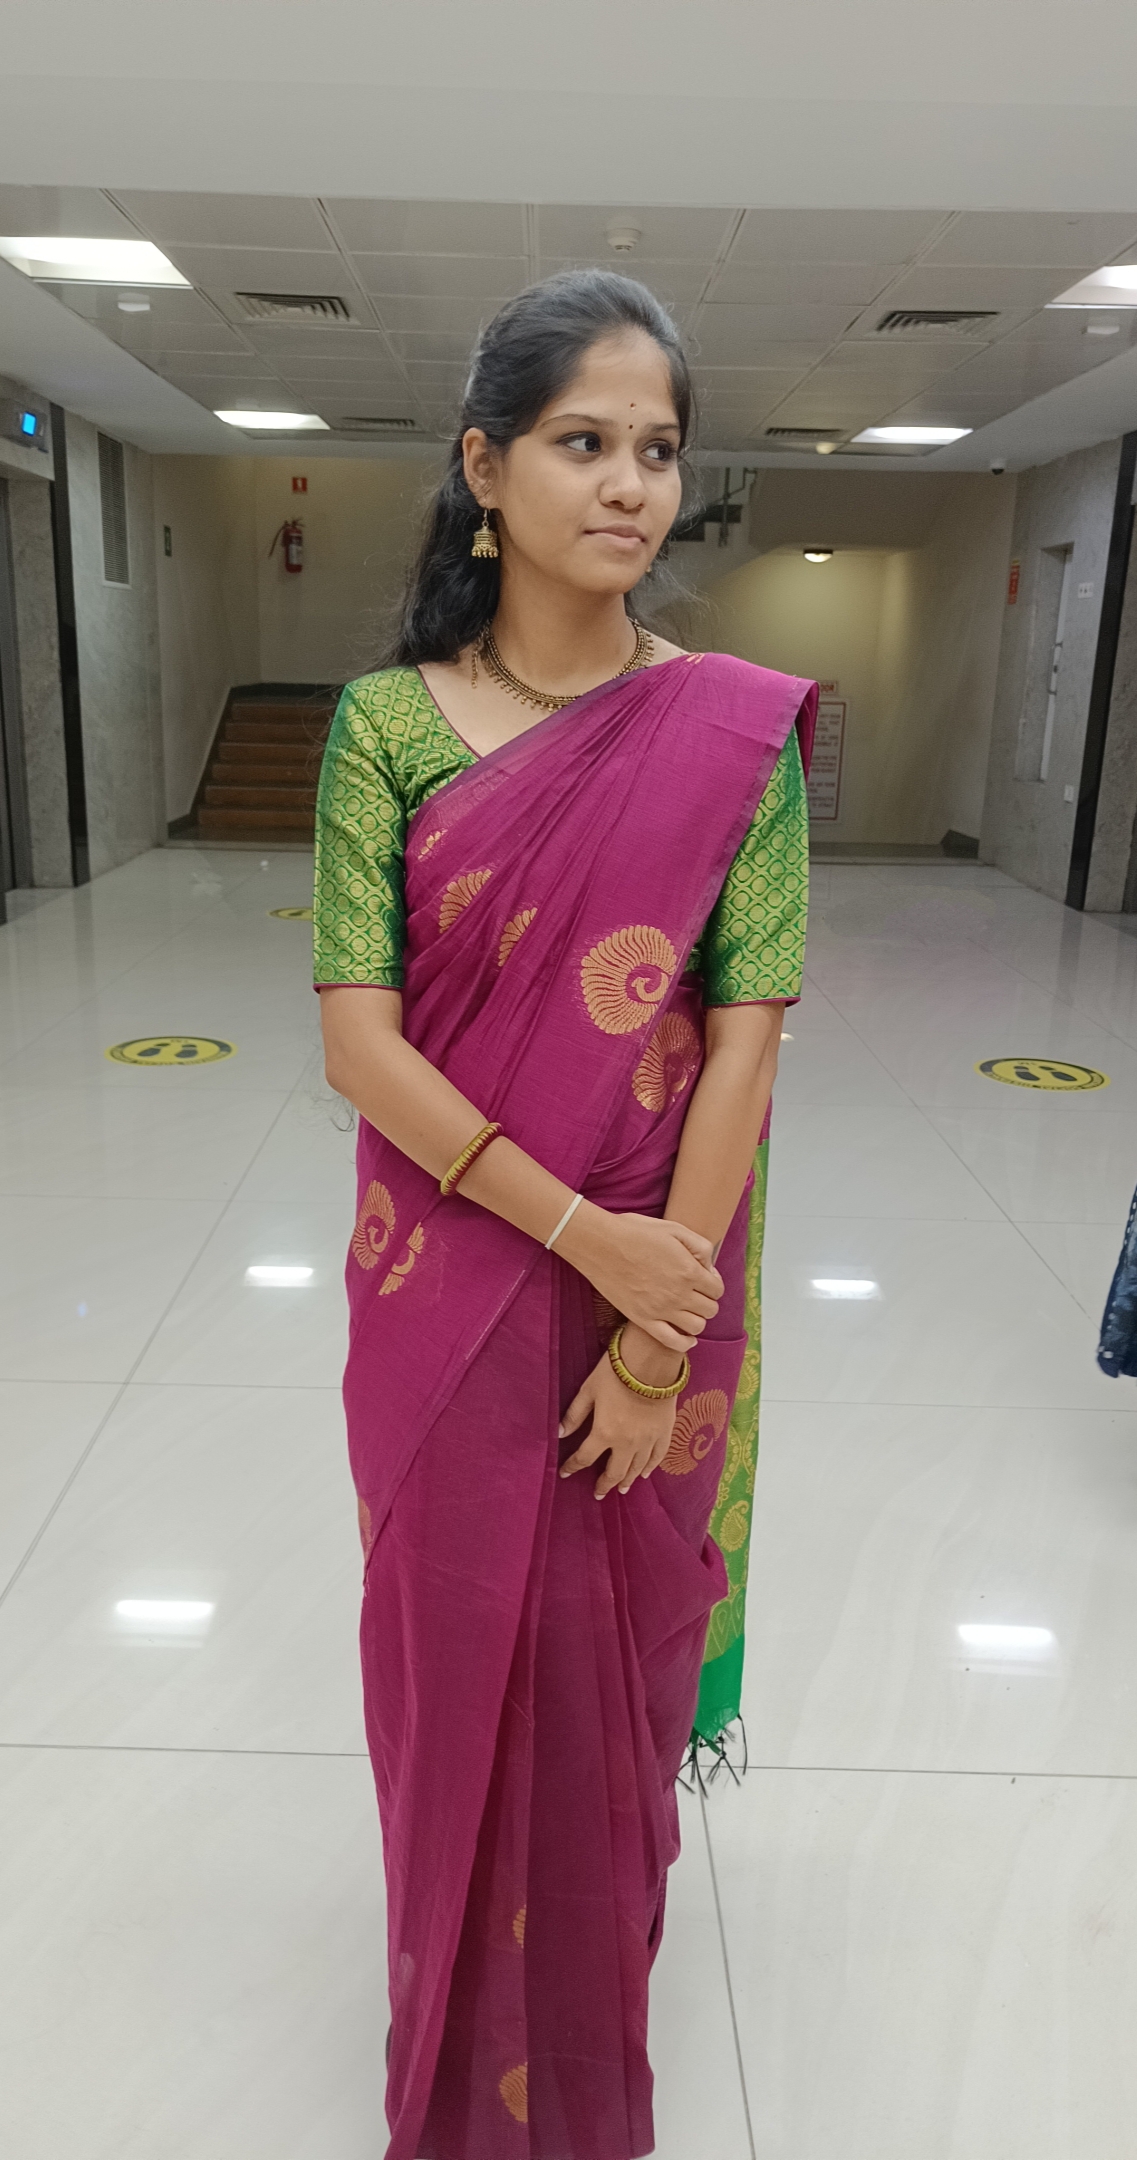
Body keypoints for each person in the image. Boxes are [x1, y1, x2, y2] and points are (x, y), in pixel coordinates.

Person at [313, 268, 815, 2160]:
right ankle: (448, 2038)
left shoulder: (733, 733)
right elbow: (358, 1042)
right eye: (580, 442)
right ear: (483, 468)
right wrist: (580, 1240)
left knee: (603, 1688)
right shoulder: (384, 727)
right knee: (447, 1664)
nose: (626, 484)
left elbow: (744, 1041)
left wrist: (653, 1327)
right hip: (447, 1280)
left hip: (651, 1281)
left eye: (657, 450)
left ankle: (583, 2046)